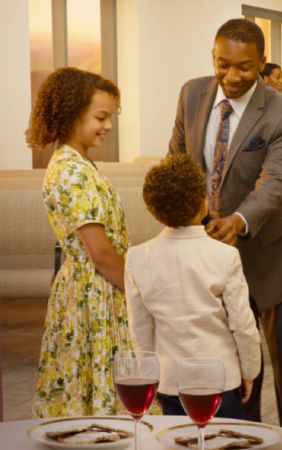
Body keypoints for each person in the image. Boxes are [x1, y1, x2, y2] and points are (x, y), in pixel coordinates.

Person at [168, 18, 282, 434]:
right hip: (210, 251)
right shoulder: (192, 94)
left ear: (262, 63)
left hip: (270, 252)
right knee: (232, 363)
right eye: (222, 65)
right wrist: (199, 216)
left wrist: (238, 220)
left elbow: (275, 180)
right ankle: (242, 438)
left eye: (244, 68)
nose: (231, 77)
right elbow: (179, 164)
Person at [125, 154, 261, 419]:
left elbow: (139, 329)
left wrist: (147, 375)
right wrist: (249, 371)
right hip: (222, 378)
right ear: (203, 204)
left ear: (154, 209)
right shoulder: (225, 256)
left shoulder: (138, 258)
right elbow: (243, 325)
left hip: (170, 381)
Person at [29, 67, 131, 417]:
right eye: (100, 117)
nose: (108, 125)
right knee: (93, 390)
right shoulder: (71, 171)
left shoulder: (80, 163)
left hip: (96, 288)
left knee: (91, 385)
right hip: (93, 291)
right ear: (73, 115)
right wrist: (140, 291)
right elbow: (100, 253)